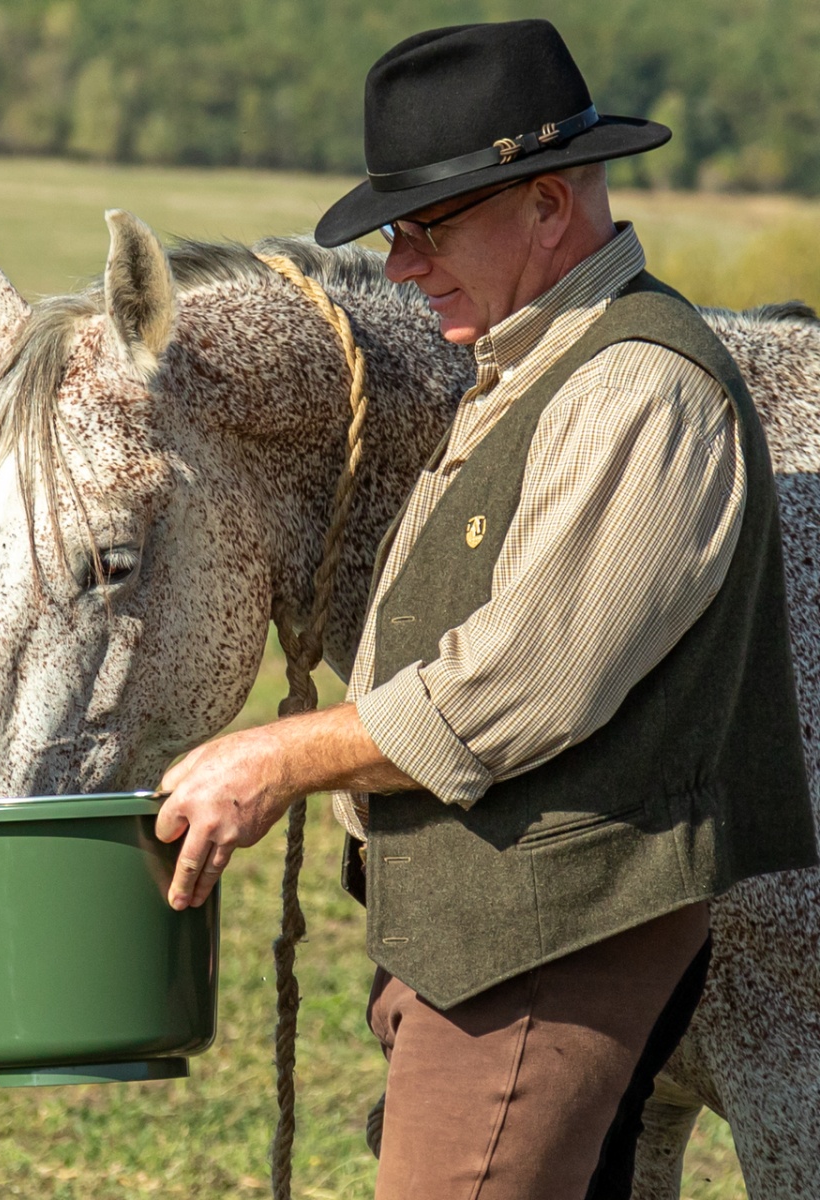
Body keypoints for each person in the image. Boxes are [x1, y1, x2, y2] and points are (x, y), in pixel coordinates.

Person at [154, 19, 816, 1200]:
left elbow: (520, 683)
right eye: (398, 234)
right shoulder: (528, 369)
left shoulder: (637, 385)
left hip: (548, 939)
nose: (403, 266)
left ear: (550, 206)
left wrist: (277, 758)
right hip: (488, 937)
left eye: (430, 227)